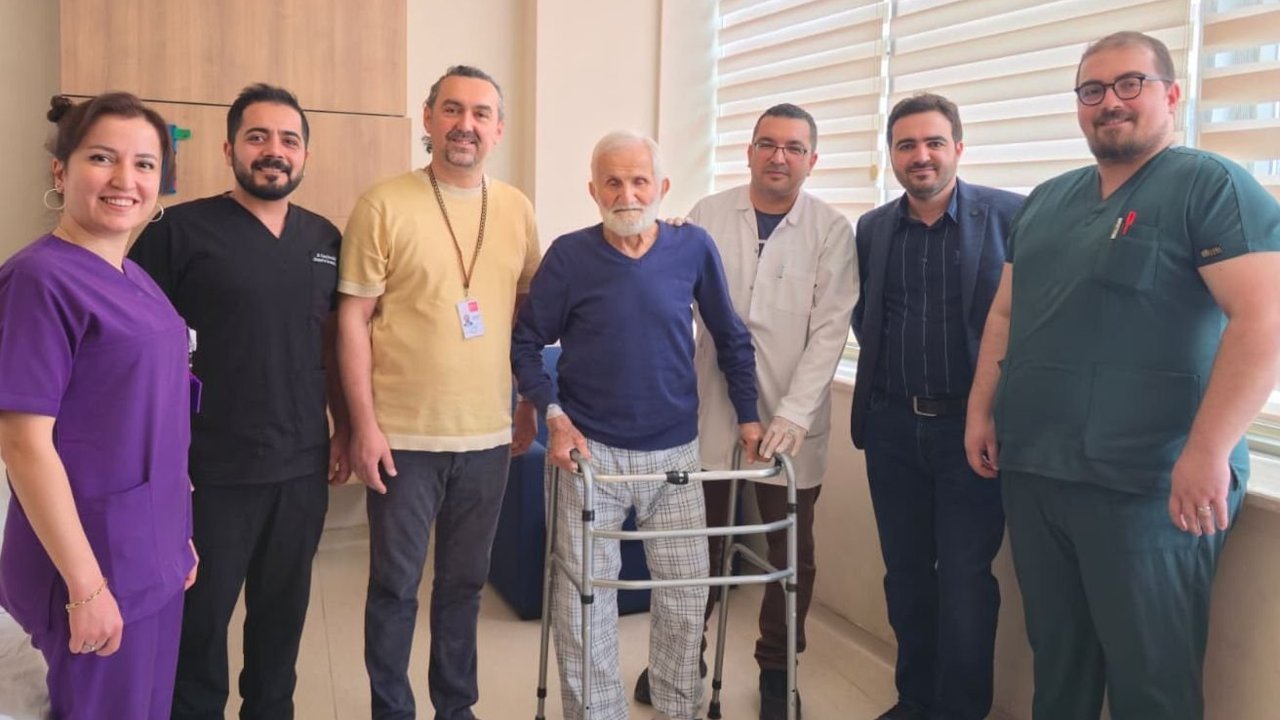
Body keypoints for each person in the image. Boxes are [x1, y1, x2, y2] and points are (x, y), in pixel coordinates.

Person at [965, 31, 1280, 720]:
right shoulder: (1046, 201)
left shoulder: (1210, 186)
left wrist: (1207, 451)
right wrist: (981, 410)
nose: (1110, 101)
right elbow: (1006, 314)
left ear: (1172, 94)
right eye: (1092, 89)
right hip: (1037, 470)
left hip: (1150, 486)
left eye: (1130, 83)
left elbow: (1264, 321)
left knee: (1152, 680)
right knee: (1059, 663)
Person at [512, 130, 762, 720]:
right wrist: (553, 416)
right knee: (584, 601)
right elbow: (525, 343)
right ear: (593, 190)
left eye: (639, 181)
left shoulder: (691, 246)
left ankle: (678, 705)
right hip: (588, 453)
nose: (627, 194)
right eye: (614, 182)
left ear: (662, 186)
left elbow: (730, 336)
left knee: (686, 594)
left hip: (675, 452)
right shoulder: (569, 256)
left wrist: (750, 415)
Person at [129, 83, 346, 720]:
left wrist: (344, 427)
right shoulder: (176, 231)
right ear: (229, 149)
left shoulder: (325, 239)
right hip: (210, 472)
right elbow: (137, 352)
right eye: (257, 137)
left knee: (282, 621)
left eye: (288, 140)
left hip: (301, 467)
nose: (274, 150)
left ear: (304, 155)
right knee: (199, 626)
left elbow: (334, 344)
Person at [633, 103, 856, 720]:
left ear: (812, 159)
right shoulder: (707, 214)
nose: (779, 157)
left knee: (789, 555)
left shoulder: (831, 230)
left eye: (793, 147)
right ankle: (681, 659)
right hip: (708, 409)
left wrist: (794, 414)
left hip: (789, 415)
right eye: (767, 144)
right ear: (749, 151)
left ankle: (778, 672)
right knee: (693, 549)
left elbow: (830, 331)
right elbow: (671, 303)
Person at [337, 65, 540, 720]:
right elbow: (352, 320)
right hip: (403, 437)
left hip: (486, 437)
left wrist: (527, 402)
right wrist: (363, 426)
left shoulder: (516, 209)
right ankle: (392, 711)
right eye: (452, 109)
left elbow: (527, 316)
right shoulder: (383, 204)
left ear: (499, 128)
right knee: (395, 588)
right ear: (428, 119)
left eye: (481, 113)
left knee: (463, 586)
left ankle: (456, 708)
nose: (465, 125)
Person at [0, 92, 197, 720]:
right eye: (102, 158)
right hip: (90, 565)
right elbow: (23, 444)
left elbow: (152, 417)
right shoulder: (39, 281)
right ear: (61, 171)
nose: (125, 179)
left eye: (144, 164)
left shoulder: (135, 277)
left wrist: (178, 533)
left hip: (150, 552)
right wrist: (85, 588)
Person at [851, 93, 1023, 720]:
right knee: (905, 575)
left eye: (933, 143)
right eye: (906, 145)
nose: (920, 156)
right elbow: (867, 316)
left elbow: (1024, 319)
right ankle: (914, 699)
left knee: (965, 580)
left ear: (958, 148)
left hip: (970, 433)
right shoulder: (873, 229)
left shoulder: (1010, 216)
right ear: (892, 155)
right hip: (892, 427)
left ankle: (960, 710)